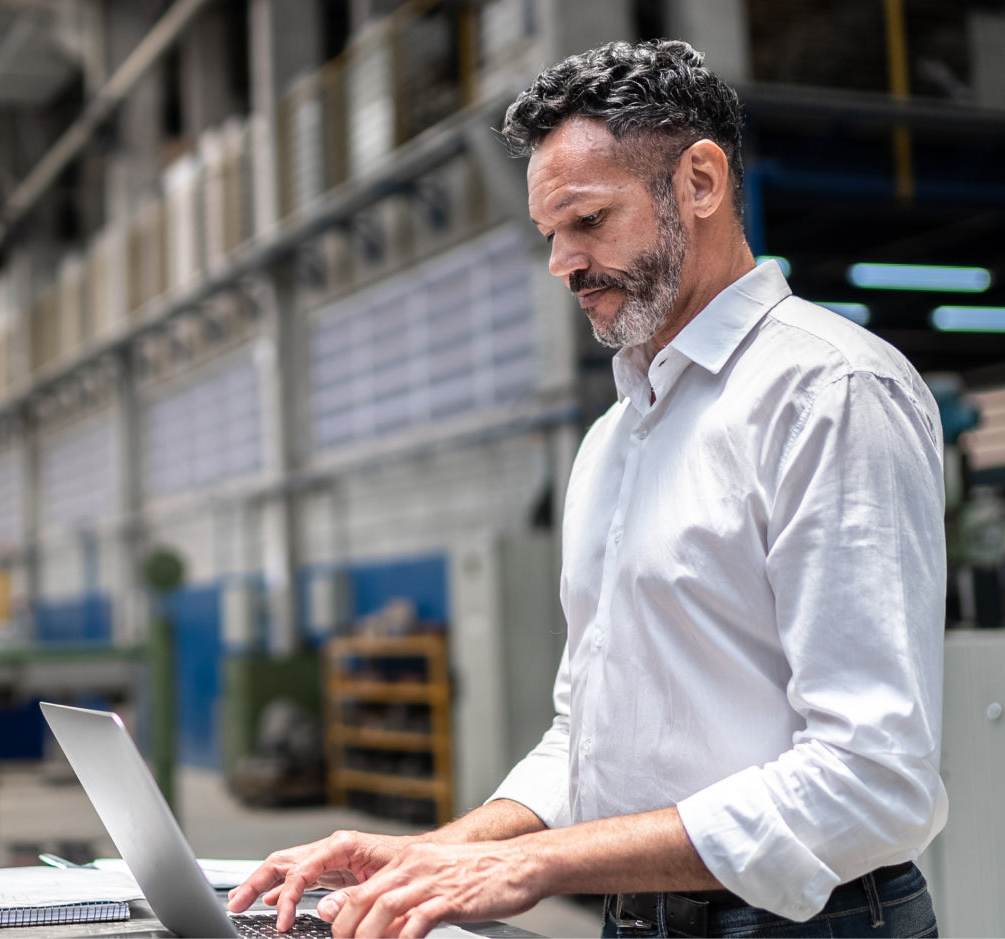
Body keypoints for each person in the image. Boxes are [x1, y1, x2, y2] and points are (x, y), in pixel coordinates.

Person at [228, 39, 947, 939]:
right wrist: (439, 853)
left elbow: (869, 776)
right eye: (549, 235)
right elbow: (588, 741)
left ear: (698, 182)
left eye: (589, 221)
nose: (562, 263)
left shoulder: (828, 394)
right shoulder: (617, 436)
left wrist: (529, 866)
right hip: (636, 915)